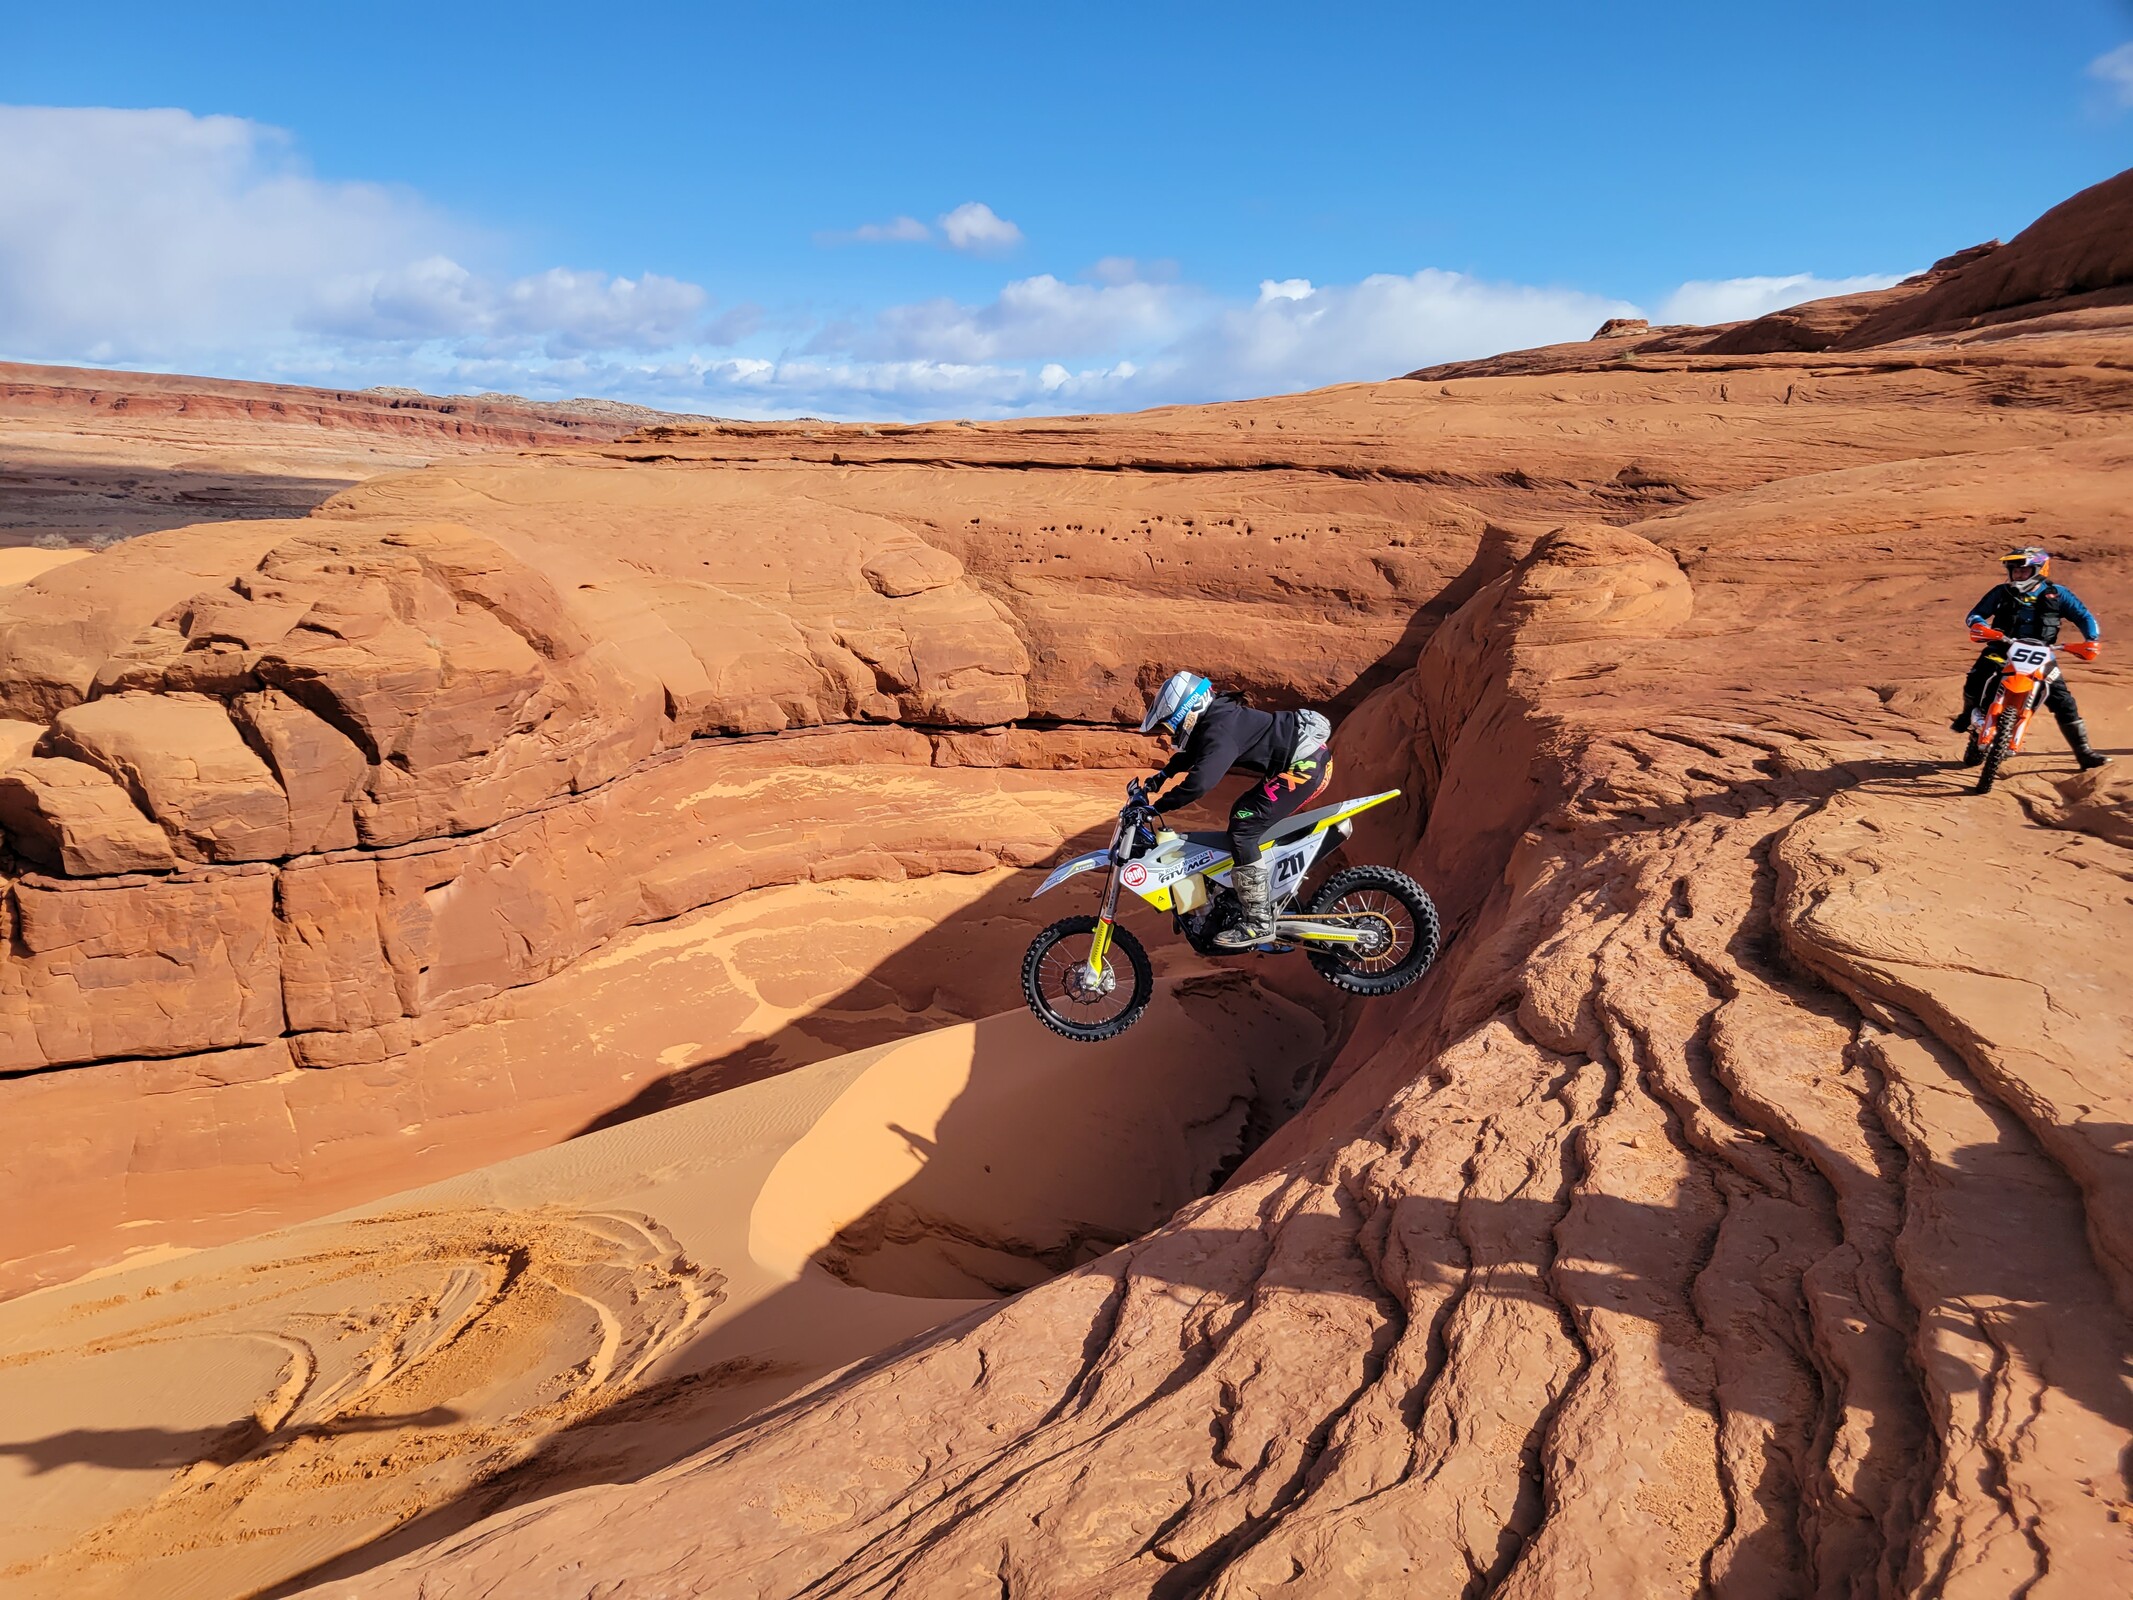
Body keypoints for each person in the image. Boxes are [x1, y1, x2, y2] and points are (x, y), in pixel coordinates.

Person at [1139, 671, 1333, 948]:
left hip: (1305, 766)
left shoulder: (1221, 729)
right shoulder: (1217, 719)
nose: (1173, 731)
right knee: (1244, 815)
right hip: (1302, 761)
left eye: (1173, 723)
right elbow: (1195, 753)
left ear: (1190, 710)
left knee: (1244, 827)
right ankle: (1240, 898)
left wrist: (1157, 806)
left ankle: (1258, 922)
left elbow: (1200, 783)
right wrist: (1162, 776)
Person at [1951, 545, 2108, 770]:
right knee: (1978, 677)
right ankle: (1968, 716)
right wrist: (1980, 626)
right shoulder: (2001, 592)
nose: (2018, 574)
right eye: (2014, 570)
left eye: (2023, 570)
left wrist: (2092, 639)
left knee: (2063, 701)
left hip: (2041, 653)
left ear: (2039, 569)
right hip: (2002, 648)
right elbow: (1975, 614)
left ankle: (2084, 753)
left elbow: (2083, 616)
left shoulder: (2058, 593)